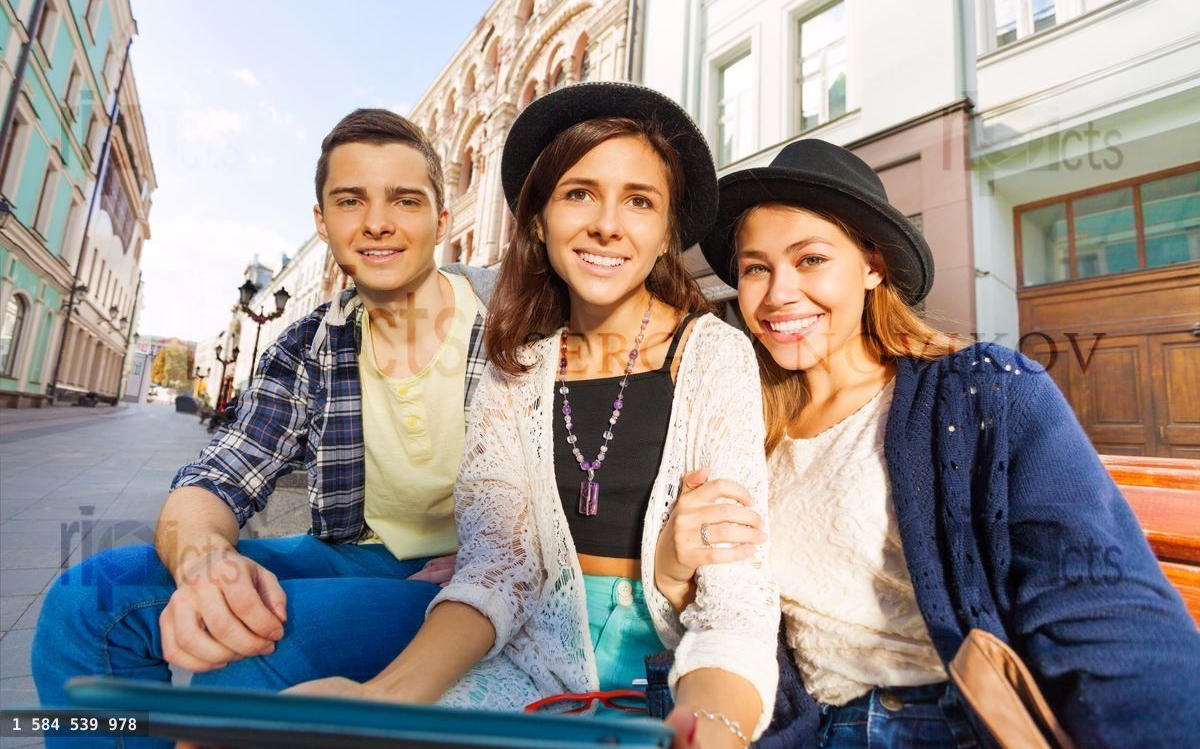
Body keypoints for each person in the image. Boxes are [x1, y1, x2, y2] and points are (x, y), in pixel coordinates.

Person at [655, 139, 1200, 748]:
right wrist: (676, 575)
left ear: (872, 267)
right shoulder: (744, 427)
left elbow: (1101, 604)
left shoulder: (981, 391)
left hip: (946, 724)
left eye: (809, 259)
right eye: (757, 267)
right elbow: (735, 619)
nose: (778, 293)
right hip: (797, 730)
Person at [289, 83, 780, 749]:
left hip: (669, 682)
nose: (607, 223)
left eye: (639, 200)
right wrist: (383, 698)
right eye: (579, 193)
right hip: (525, 666)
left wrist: (712, 726)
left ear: (667, 233)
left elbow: (736, 596)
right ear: (540, 219)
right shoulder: (515, 365)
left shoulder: (715, 356)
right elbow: (499, 567)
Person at [33, 109, 496, 748]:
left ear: (441, 220)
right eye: (350, 200)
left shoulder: (512, 319)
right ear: (322, 222)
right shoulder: (307, 344)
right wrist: (207, 562)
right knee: (83, 606)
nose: (378, 222)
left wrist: (487, 558)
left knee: (250, 668)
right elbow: (221, 474)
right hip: (353, 555)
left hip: (475, 585)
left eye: (405, 200)